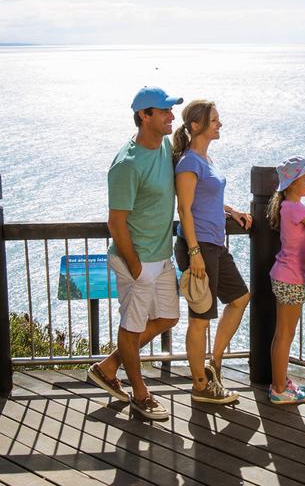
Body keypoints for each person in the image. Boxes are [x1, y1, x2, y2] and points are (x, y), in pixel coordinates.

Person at [87, 86, 182, 421]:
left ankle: (109, 366)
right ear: (145, 116)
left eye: (172, 110)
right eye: (165, 111)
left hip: (161, 257)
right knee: (131, 327)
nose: (172, 116)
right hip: (137, 260)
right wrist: (136, 266)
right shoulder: (126, 165)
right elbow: (116, 222)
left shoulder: (165, 145)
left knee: (169, 318)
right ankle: (141, 395)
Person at [171, 99, 253, 404]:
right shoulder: (189, 162)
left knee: (241, 297)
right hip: (199, 246)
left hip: (214, 244)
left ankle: (213, 363)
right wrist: (194, 253)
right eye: (214, 120)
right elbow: (185, 208)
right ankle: (201, 386)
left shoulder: (206, 160)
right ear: (196, 125)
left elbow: (206, 199)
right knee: (200, 318)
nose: (220, 124)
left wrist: (231, 211)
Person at [266, 156, 305, 405]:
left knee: (280, 334)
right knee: (286, 335)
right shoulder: (297, 209)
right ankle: (278, 389)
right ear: (293, 183)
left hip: (283, 275)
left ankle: (280, 382)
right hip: (292, 278)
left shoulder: (287, 207)